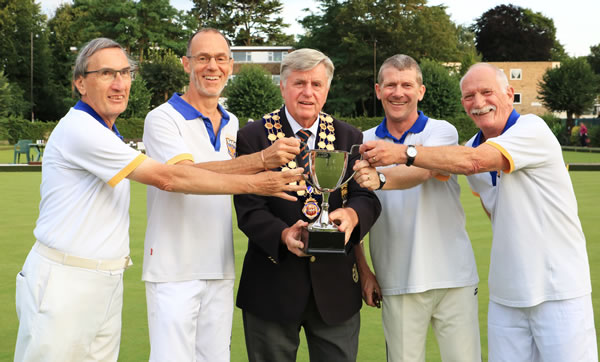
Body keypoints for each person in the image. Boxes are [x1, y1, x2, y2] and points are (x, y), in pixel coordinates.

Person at [13, 37, 304, 362]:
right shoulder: (81, 129)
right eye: (107, 73)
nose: (119, 83)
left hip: (109, 278)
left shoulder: (109, 131)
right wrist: (258, 175)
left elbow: (183, 174)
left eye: (125, 73)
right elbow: (171, 177)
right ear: (80, 82)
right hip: (67, 279)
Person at [360, 62, 597, 362]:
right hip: (506, 296)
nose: (479, 102)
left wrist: (402, 153)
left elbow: (471, 162)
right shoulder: (469, 145)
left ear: (510, 94)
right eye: (470, 96)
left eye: (487, 92)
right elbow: (473, 192)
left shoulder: (532, 128)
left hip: (559, 290)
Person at [141, 28, 302, 362]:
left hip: (219, 267)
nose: (211, 67)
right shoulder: (162, 119)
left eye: (219, 59)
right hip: (173, 270)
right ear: (186, 64)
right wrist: (259, 164)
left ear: (230, 66)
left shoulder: (232, 124)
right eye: (202, 58)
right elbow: (181, 178)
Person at [233, 48, 381, 362]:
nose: (308, 92)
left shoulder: (347, 136)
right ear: (283, 86)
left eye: (317, 84)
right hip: (272, 288)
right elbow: (248, 209)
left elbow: (366, 196)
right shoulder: (254, 137)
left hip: (337, 289)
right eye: (300, 83)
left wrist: (353, 215)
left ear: (327, 90)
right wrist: (282, 234)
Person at [351, 54, 481, 361]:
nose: (399, 92)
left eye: (407, 84)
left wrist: (379, 176)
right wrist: (363, 269)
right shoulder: (361, 141)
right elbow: (353, 211)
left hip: (454, 278)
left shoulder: (443, 131)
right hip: (396, 279)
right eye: (391, 84)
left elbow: (422, 171)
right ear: (378, 90)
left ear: (420, 91)